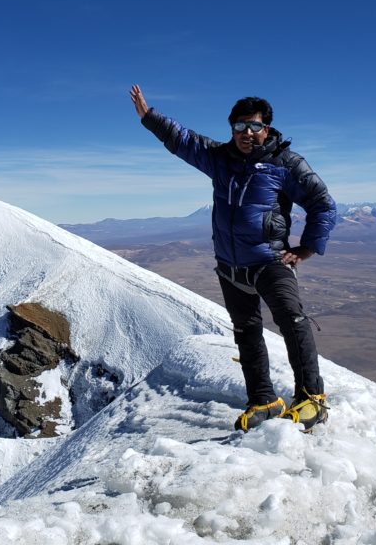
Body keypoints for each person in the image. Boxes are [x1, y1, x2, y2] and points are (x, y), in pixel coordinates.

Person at [129, 84, 337, 432]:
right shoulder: (221, 159)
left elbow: (323, 203)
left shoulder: (285, 164)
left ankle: (313, 399)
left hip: (270, 261)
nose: (246, 133)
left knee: (291, 320)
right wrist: (149, 117)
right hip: (229, 266)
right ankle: (263, 400)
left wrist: (307, 247)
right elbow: (185, 141)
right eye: (239, 127)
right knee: (246, 331)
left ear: (266, 129)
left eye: (254, 126)